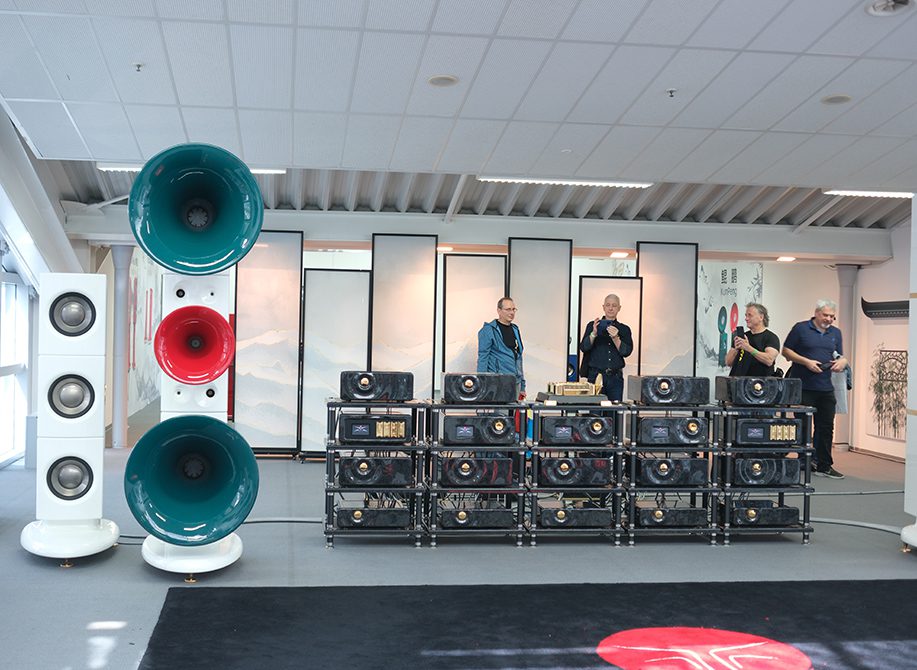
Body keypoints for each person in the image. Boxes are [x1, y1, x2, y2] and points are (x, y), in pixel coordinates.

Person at [782, 299, 848, 479]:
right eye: (826, 315)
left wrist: (843, 362)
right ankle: (804, 460)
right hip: (803, 386)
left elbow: (840, 356)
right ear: (817, 313)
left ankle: (824, 465)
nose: (829, 319)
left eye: (832, 317)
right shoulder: (800, 329)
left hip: (826, 387)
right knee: (802, 426)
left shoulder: (836, 333)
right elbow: (786, 351)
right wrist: (806, 362)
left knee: (826, 427)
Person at [579, 293, 633, 402]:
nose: (611, 308)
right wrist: (593, 334)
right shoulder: (593, 325)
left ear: (619, 308)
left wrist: (616, 338)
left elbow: (626, 352)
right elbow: (584, 347)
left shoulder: (624, 329)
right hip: (595, 376)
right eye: (608, 305)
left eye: (614, 305)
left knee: (614, 410)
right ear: (603, 307)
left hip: (615, 378)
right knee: (595, 411)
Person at [477, 296, 525, 400]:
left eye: (513, 309)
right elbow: (483, 358)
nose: (511, 312)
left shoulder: (515, 329)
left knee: (515, 410)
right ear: (499, 311)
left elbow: (518, 358)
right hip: (497, 383)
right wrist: (481, 384)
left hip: (515, 383)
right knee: (499, 411)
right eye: (508, 309)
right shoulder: (488, 330)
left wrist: (522, 386)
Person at [725, 303, 780, 377]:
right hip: (739, 381)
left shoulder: (771, 337)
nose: (746, 319)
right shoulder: (743, 337)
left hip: (760, 382)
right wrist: (736, 349)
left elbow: (769, 360)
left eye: (750, 315)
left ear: (761, 317)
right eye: (746, 315)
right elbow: (728, 362)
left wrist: (748, 348)